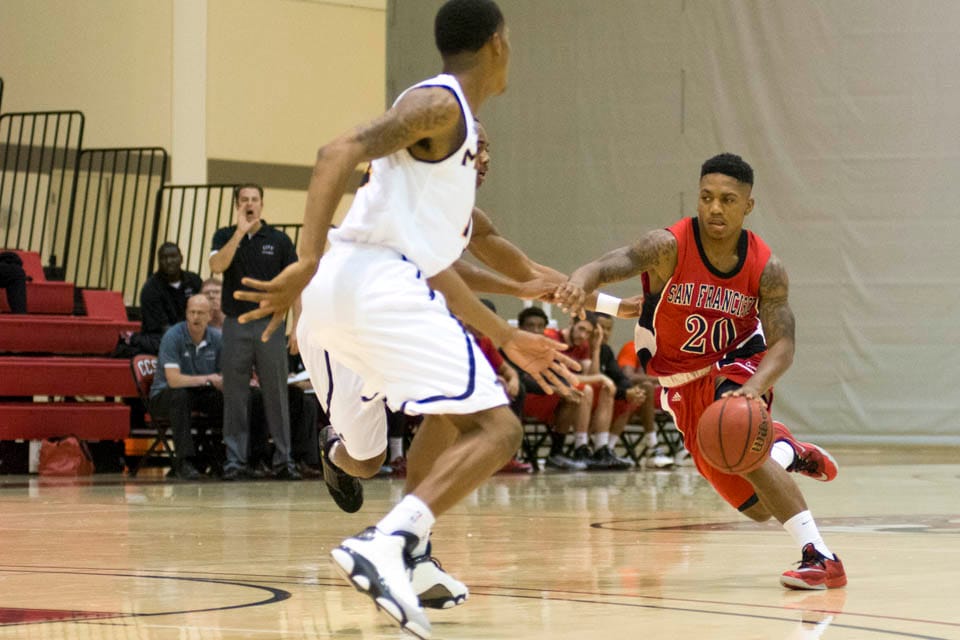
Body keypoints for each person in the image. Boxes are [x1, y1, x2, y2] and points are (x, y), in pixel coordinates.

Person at [233, 1, 580, 636]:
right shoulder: (439, 103)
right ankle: (389, 542)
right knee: (497, 428)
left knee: (431, 428)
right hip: (364, 286)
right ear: (498, 44)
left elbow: (484, 260)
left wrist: (573, 291)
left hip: (365, 293)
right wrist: (306, 258)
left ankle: (409, 551)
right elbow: (338, 149)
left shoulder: (453, 157)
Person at [555, 153, 846, 590]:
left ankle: (819, 555)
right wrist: (581, 281)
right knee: (758, 505)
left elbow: (783, 342)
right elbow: (605, 265)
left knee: (740, 441)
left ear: (747, 206)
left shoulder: (766, 268)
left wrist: (753, 386)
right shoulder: (666, 246)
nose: (715, 208)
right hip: (678, 385)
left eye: (728, 200)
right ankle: (788, 451)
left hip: (736, 363)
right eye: (707, 197)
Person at [209, 184, 301, 481]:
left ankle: (284, 459)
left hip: (270, 325)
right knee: (235, 395)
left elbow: (295, 287)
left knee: (276, 392)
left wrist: (297, 326)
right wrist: (239, 233)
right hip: (235, 324)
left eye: (255, 199)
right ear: (238, 205)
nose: (250, 204)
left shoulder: (279, 240)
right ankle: (235, 461)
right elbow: (216, 265)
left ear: (262, 204)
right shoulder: (224, 235)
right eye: (244, 200)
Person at [149, 294, 224, 480]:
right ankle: (184, 462)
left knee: (225, 400)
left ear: (210, 316)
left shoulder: (218, 338)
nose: (196, 317)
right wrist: (208, 378)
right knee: (180, 396)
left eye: (201, 313)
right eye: (192, 312)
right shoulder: (173, 336)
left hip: (198, 393)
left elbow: (223, 375)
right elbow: (173, 381)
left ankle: (220, 458)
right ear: (186, 314)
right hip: (164, 396)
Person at [130, 242, 203, 355]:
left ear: (181, 258)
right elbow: (163, 328)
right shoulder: (150, 289)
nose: (169, 261)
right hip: (161, 337)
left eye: (173, 256)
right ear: (158, 261)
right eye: (164, 258)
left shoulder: (194, 281)